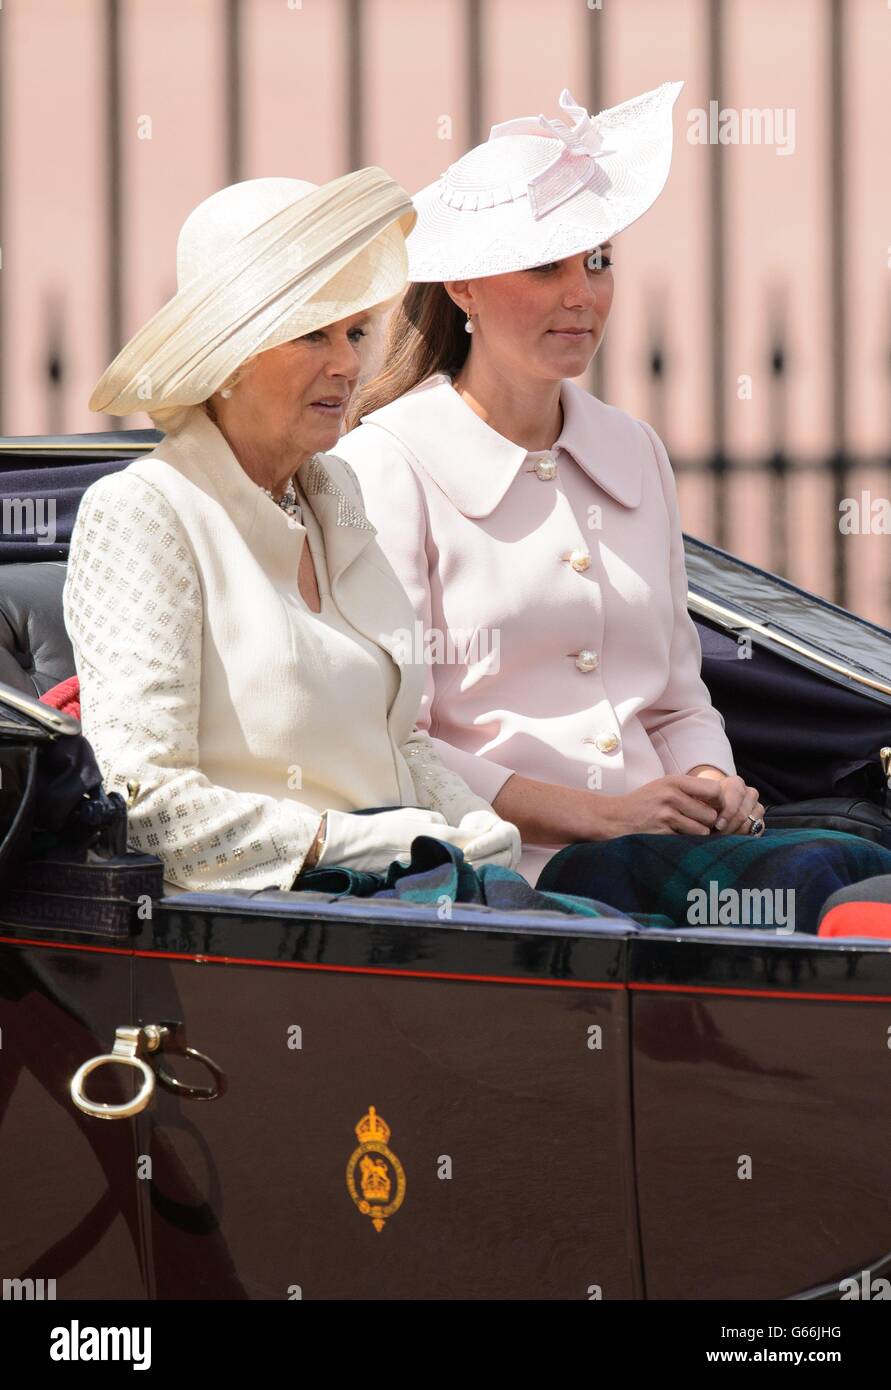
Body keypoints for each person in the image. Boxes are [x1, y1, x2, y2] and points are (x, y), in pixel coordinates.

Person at [333, 87, 891, 930]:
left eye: (596, 260)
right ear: (463, 289)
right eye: (543, 267)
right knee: (822, 878)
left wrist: (708, 784)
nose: (581, 295)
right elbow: (391, 739)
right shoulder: (387, 461)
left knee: (857, 868)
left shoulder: (632, 449)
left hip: (666, 855)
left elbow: (675, 699)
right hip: (509, 878)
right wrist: (597, 814)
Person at [63, 170, 519, 894]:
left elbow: (398, 741)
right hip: (273, 925)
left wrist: (472, 821)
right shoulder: (145, 509)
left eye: (355, 332)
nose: (347, 363)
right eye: (312, 334)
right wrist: (347, 841)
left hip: (413, 891)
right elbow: (141, 802)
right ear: (225, 359)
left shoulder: (332, 493)